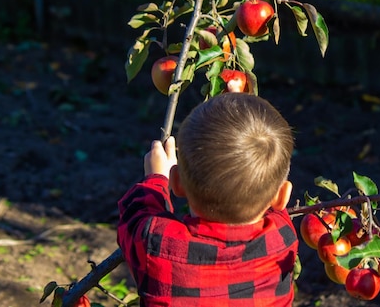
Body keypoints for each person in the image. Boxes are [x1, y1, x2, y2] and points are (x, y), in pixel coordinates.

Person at [117, 93, 298, 306]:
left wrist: (156, 180)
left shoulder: (156, 244)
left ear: (177, 183)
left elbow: (135, 215)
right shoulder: (282, 238)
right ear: (282, 196)